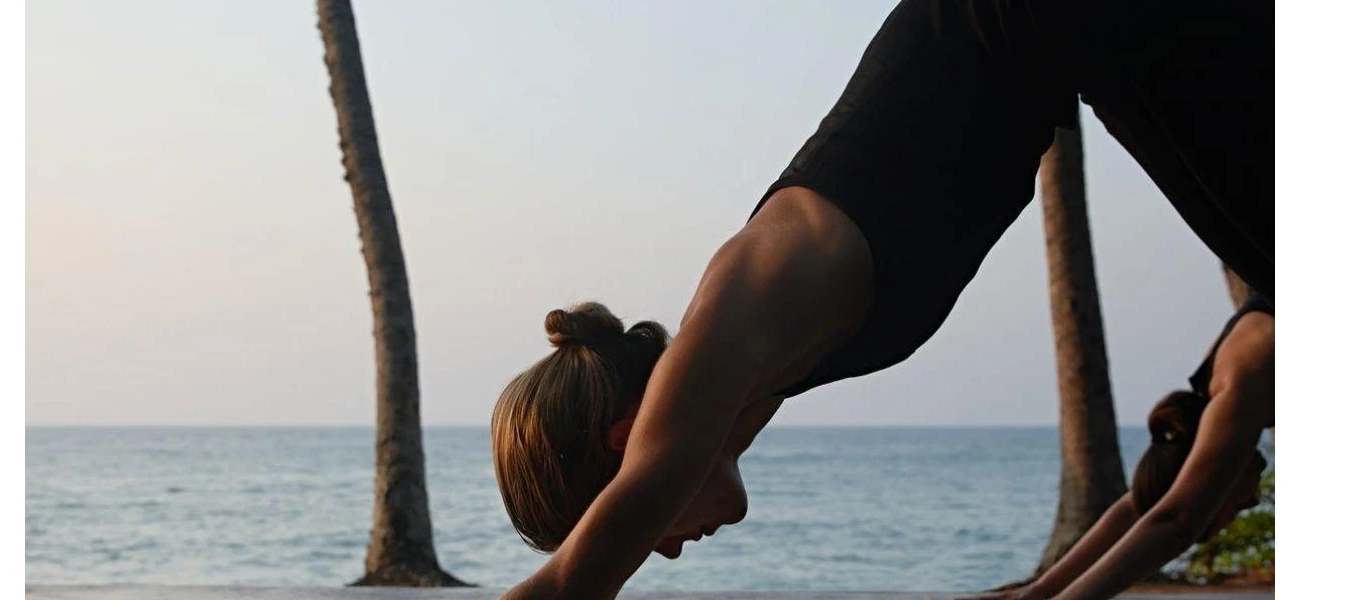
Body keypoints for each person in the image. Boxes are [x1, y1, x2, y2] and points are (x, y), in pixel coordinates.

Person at [492, 0, 1271, 597]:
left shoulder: (730, 325)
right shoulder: (756, 370)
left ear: (630, 445)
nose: (654, 549)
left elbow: (570, 588)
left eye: (620, 522)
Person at [960, 296, 1273, 600]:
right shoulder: (1221, 383)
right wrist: (1039, 592)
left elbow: (1178, 520)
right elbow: (1139, 506)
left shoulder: (1238, 387)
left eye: (1240, 505)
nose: (1254, 497)